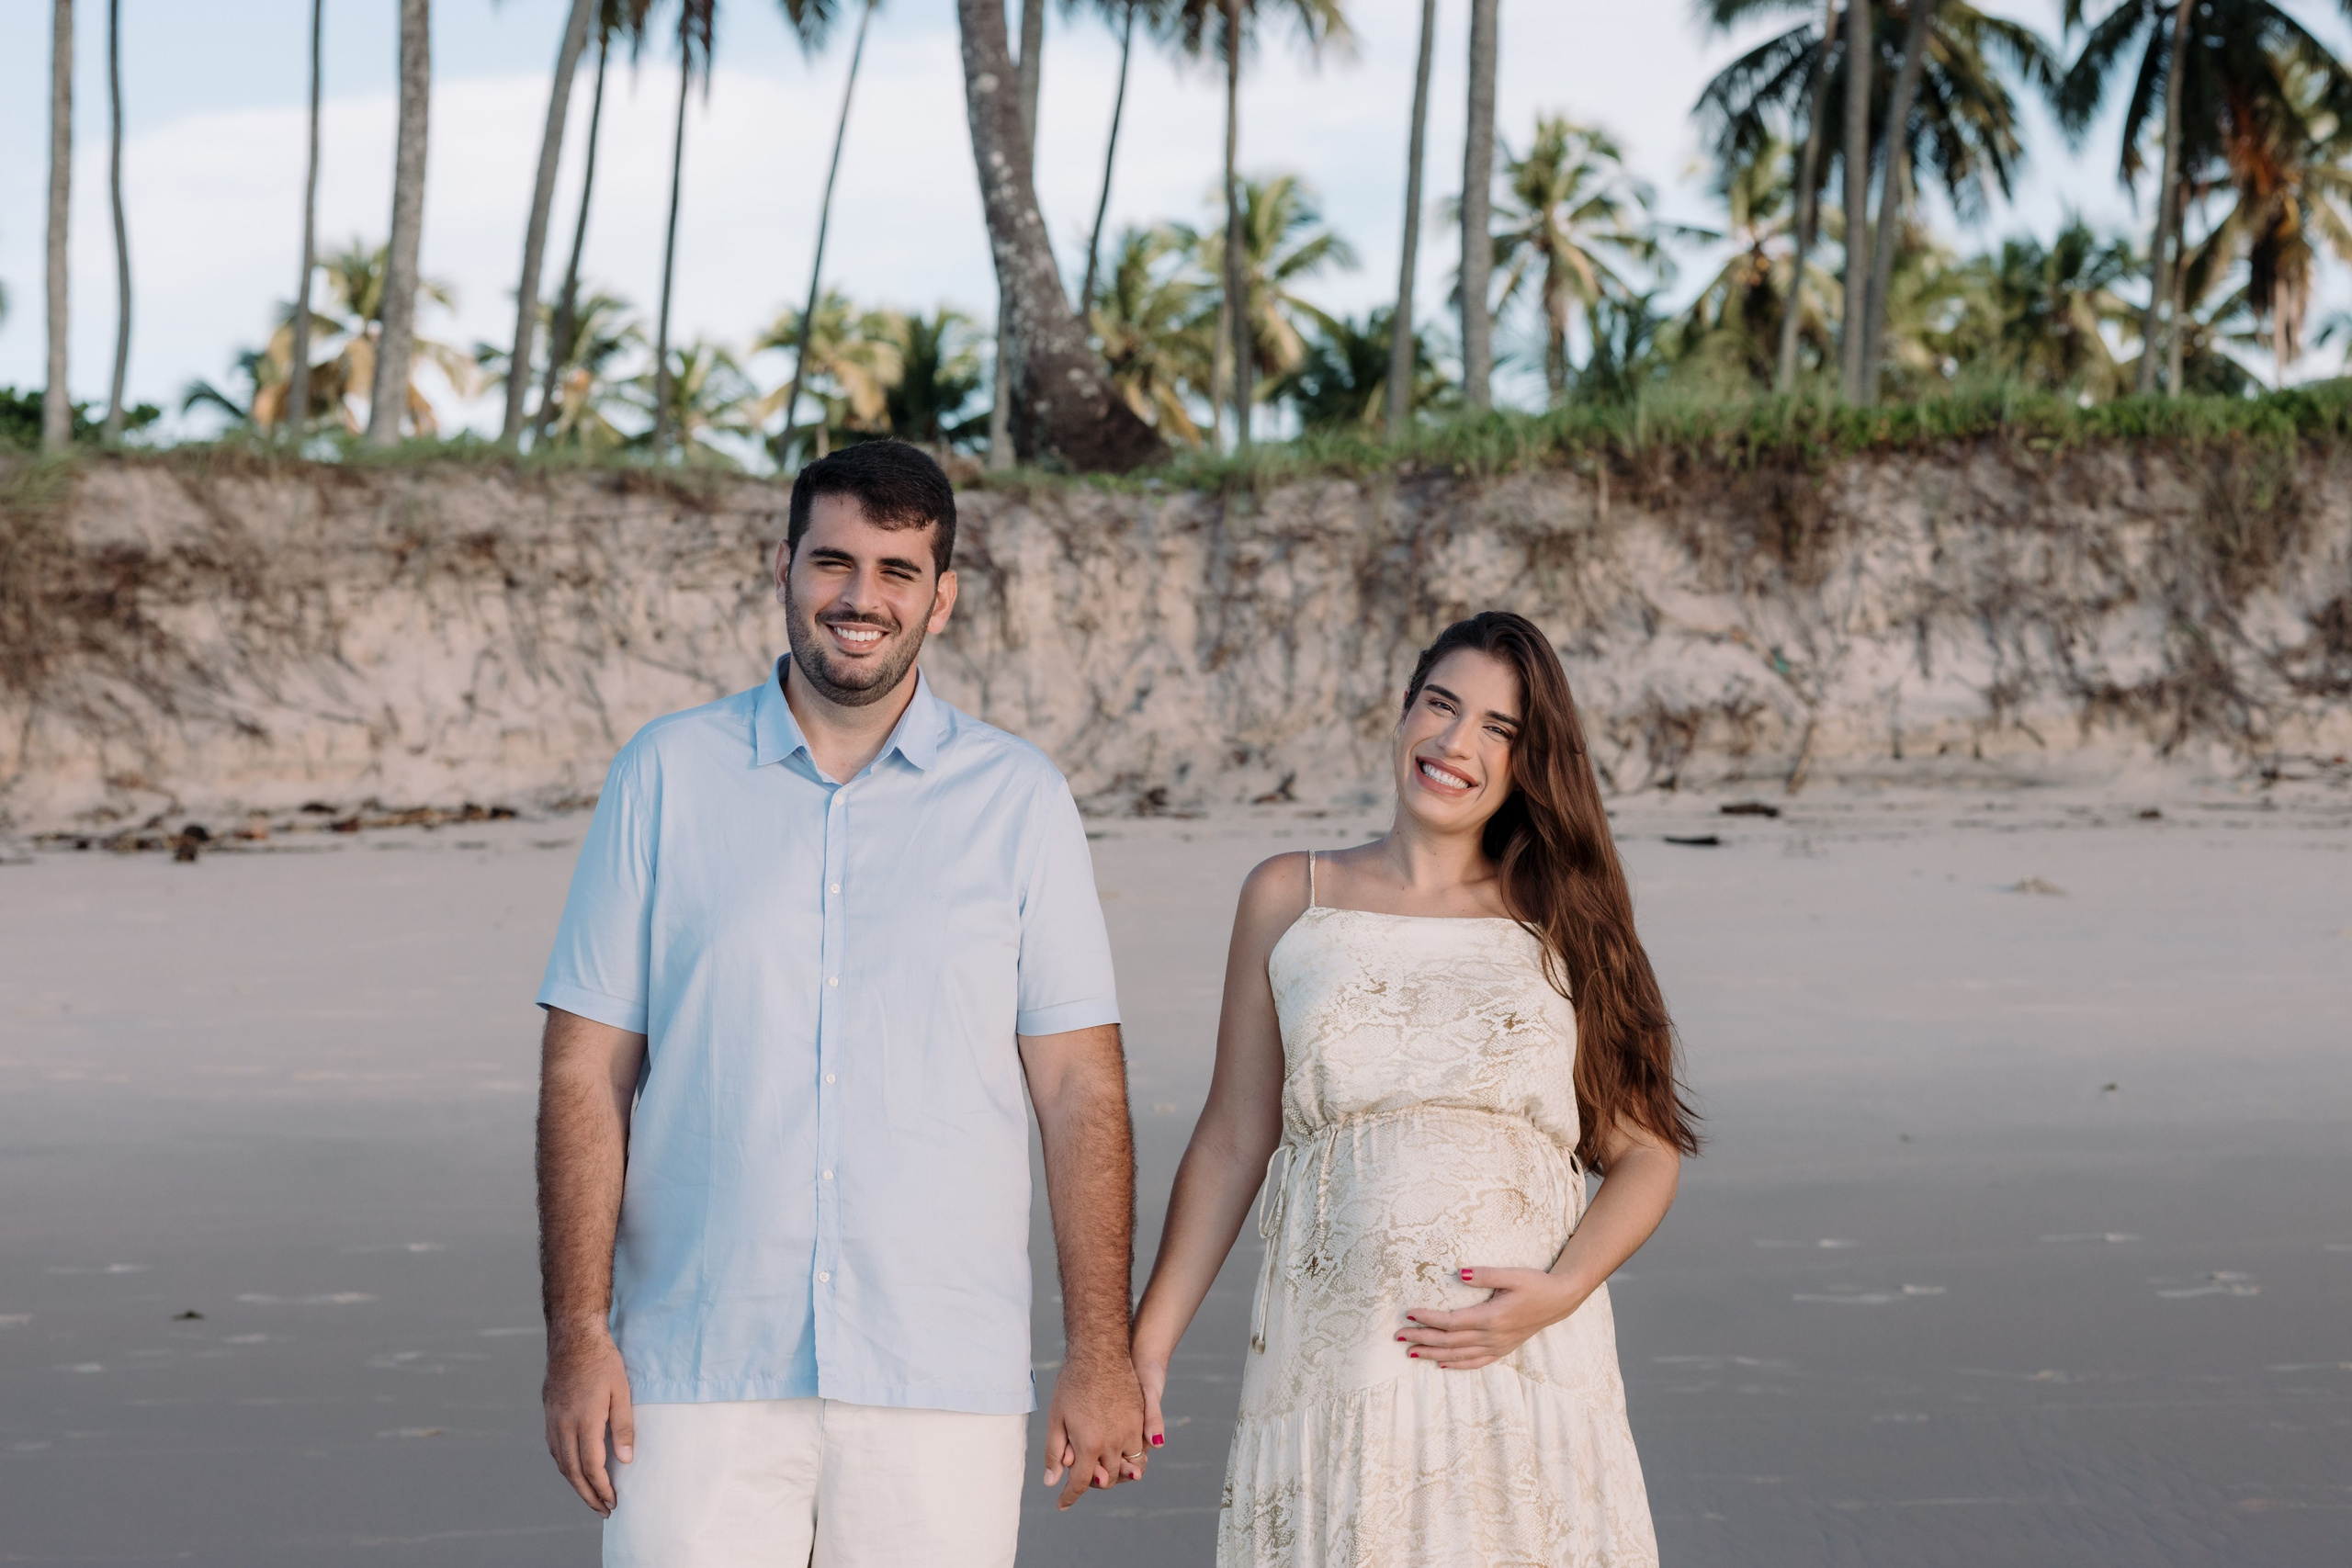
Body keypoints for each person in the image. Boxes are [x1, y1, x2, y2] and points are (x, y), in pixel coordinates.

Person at [533, 439, 1149, 1568]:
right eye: (833, 563)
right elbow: (585, 1070)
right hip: (694, 1365)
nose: (859, 598)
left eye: (896, 570)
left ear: (942, 597)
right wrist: (578, 1334)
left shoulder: (1020, 801)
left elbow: (1078, 1088)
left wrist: (1098, 1352)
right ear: (783, 570)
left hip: (941, 1369)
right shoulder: (665, 775)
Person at [1129, 610, 1699, 1567]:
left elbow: (1643, 1150)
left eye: (1497, 730)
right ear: (1402, 714)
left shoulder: (1565, 916)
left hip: (1524, 1365)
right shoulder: (1287, 895)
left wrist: (1559, 1292)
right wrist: (1145, 1347)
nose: (1454, 743)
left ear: (1529, 763)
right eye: (1440, 705)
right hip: (1333, 1366)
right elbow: (1233, 1138)